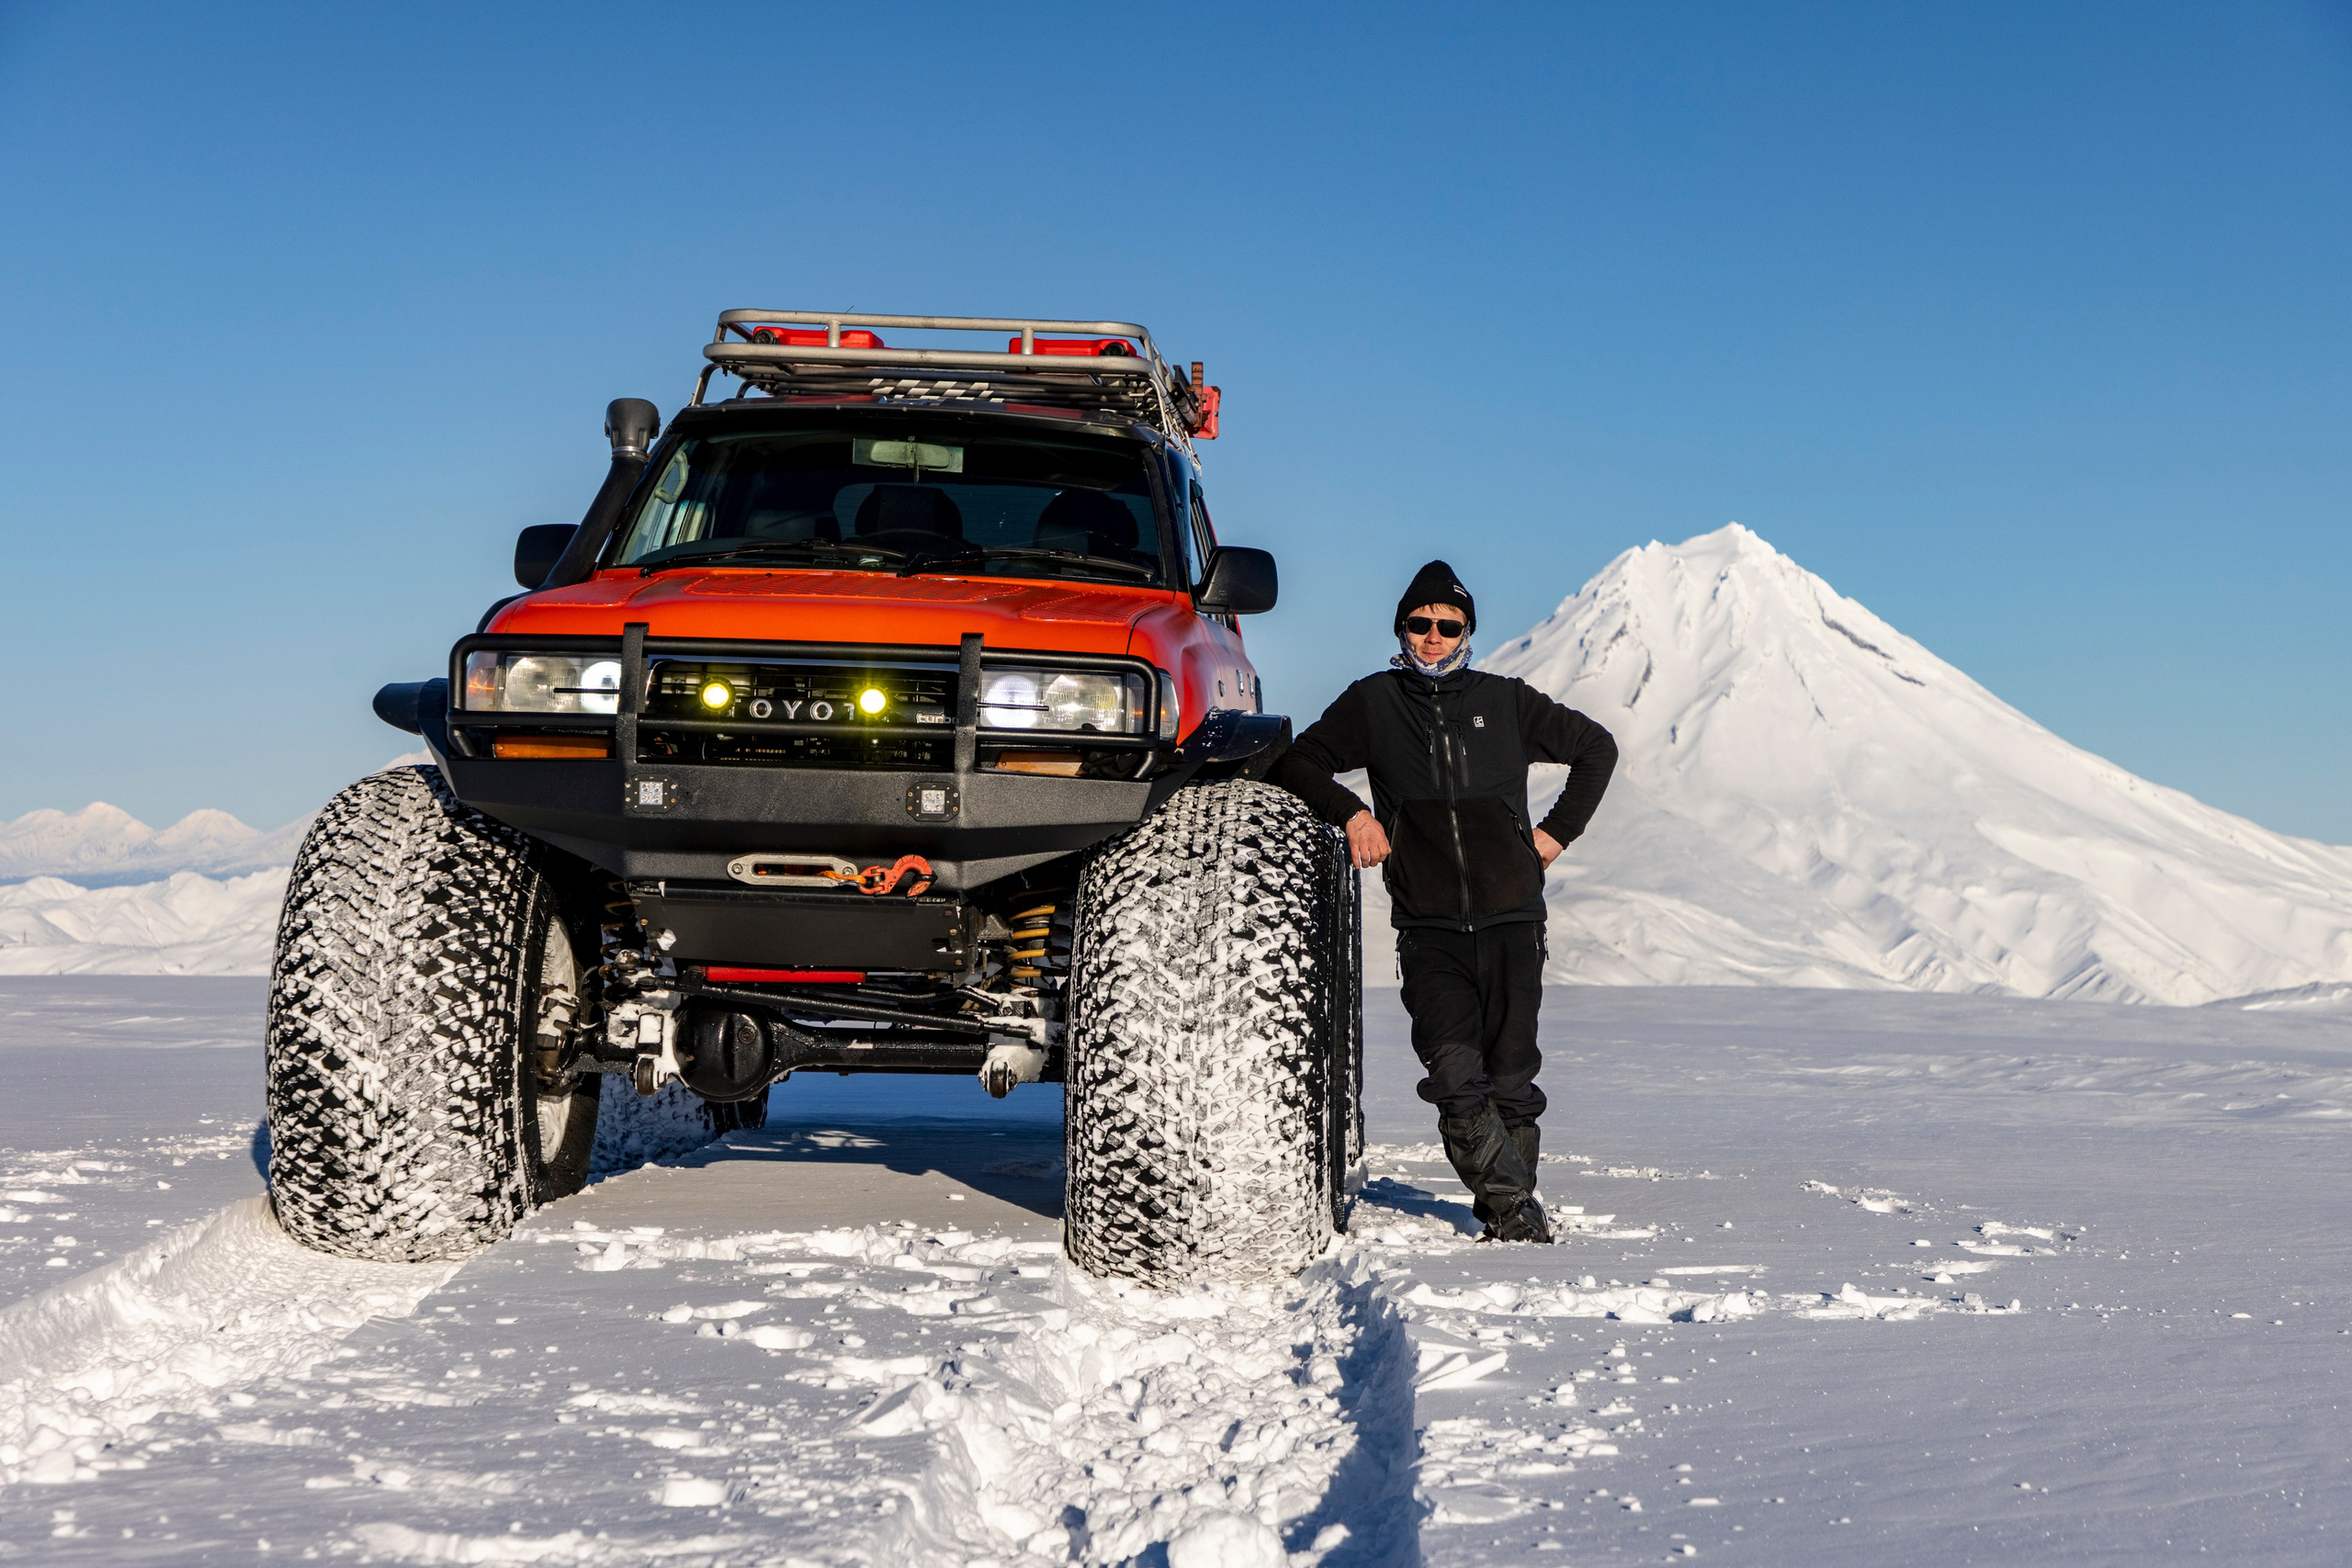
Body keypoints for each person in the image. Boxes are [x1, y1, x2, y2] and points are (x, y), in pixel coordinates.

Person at [1271, 561, 1617, 1242]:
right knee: (1457, 1073)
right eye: (1419, 623)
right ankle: (1517, 1210)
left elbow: (1596, 748)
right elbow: (1297, 761)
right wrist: (1353, 814)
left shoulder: (1507, 700)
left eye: (1447, 625)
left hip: (1514, 917)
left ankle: (1508, 1210)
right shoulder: (1374, 702)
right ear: (1402, 629)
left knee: (1513, 1078)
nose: (1432, 636)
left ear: (1467, 632)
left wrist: (1552, 837)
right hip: (1428, 926)